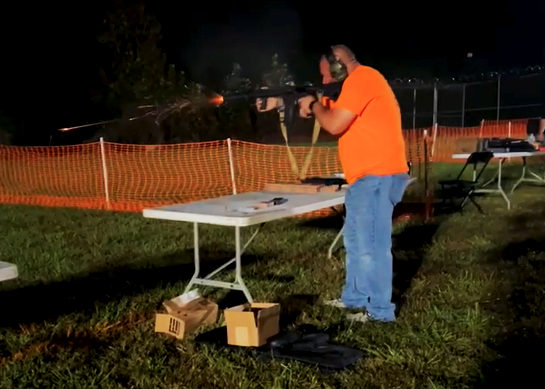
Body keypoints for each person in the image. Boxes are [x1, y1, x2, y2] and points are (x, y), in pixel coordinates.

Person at [297, 45, 410, 323]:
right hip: (365, 178)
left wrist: (312, 104)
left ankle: (380, 311)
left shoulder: (363, 78)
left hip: (377, 175)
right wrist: (293, 104)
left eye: (326, 75)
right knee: (357, 242)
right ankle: (355, 297)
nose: (325, 82)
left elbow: (334, 124)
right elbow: (333, 114)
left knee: (372, 245)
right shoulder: (357, 87)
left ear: (339, 65)